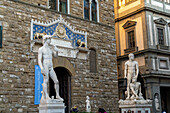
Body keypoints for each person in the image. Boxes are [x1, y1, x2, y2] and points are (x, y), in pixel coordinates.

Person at [38, 35, 63, 101]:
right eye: (50, 39)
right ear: (46, 40)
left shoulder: (50, 49)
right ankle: (46, 95)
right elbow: (39, 60)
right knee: (46, 80)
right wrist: (41, 68)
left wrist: (56, 50)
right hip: (45, 65)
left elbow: (55, 56)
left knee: (56, 81)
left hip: (51, 66)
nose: (51, 41)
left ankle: (57, 95)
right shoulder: (41, 49)